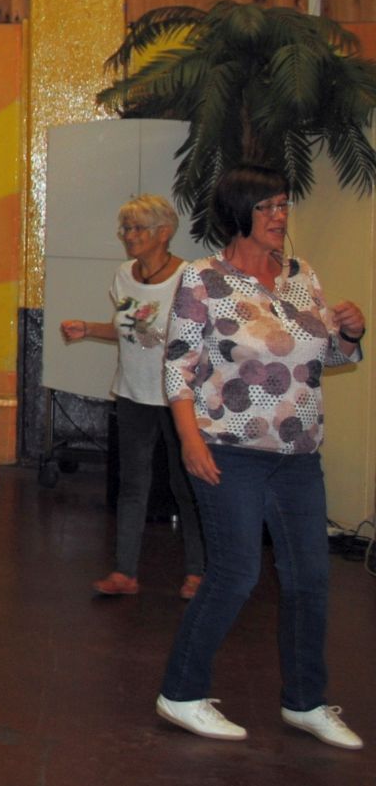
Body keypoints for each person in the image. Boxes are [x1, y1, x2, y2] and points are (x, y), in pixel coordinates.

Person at [154, 164, 364, 750]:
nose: (280, 216)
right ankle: (182, 693)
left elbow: (326, 358)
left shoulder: (303, 276)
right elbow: (178, 367)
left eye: (284, 205)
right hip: (229, 450)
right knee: (236, 572)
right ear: (238, 214)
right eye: (267, 206)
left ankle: (306, 703)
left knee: (310, 579)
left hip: (298, 452)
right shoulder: (203, 278)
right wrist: (190, 440)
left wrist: (350, 333)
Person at [58, 195, 204, 600]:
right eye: (126, 229)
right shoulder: (124, 275)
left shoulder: (189, 278)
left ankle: (198, 572)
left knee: (185, 485)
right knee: (132, 484)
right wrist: (88, 328)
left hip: (177, 399)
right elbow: (130, 328)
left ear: (164, 232)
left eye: (138, 228)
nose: (129, 236)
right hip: (132, 393)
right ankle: (125, 573)